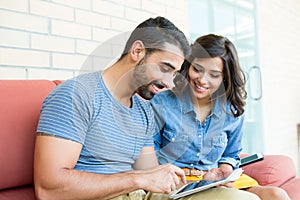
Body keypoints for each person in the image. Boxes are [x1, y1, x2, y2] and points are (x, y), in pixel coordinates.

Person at [34, 16, 192, 200]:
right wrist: (136, 180)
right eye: (165, 68)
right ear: (137, 51)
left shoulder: (144, 109)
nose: (169, 83)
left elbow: (149, 174)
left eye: (173, 74)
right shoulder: (76, 95)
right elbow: (48, 190)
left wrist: (189, 183)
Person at [150, 34, 291, 200]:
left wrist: (225, 170)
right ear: (188, 65)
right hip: (177, 183)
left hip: (214, 181)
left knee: (277, 195)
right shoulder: (163, 103)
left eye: (214, 75)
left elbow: (231, 154)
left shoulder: (232, 112)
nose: (202, 80)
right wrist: (188, 176)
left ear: (225, 78)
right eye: (197, 69)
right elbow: (149, 157)